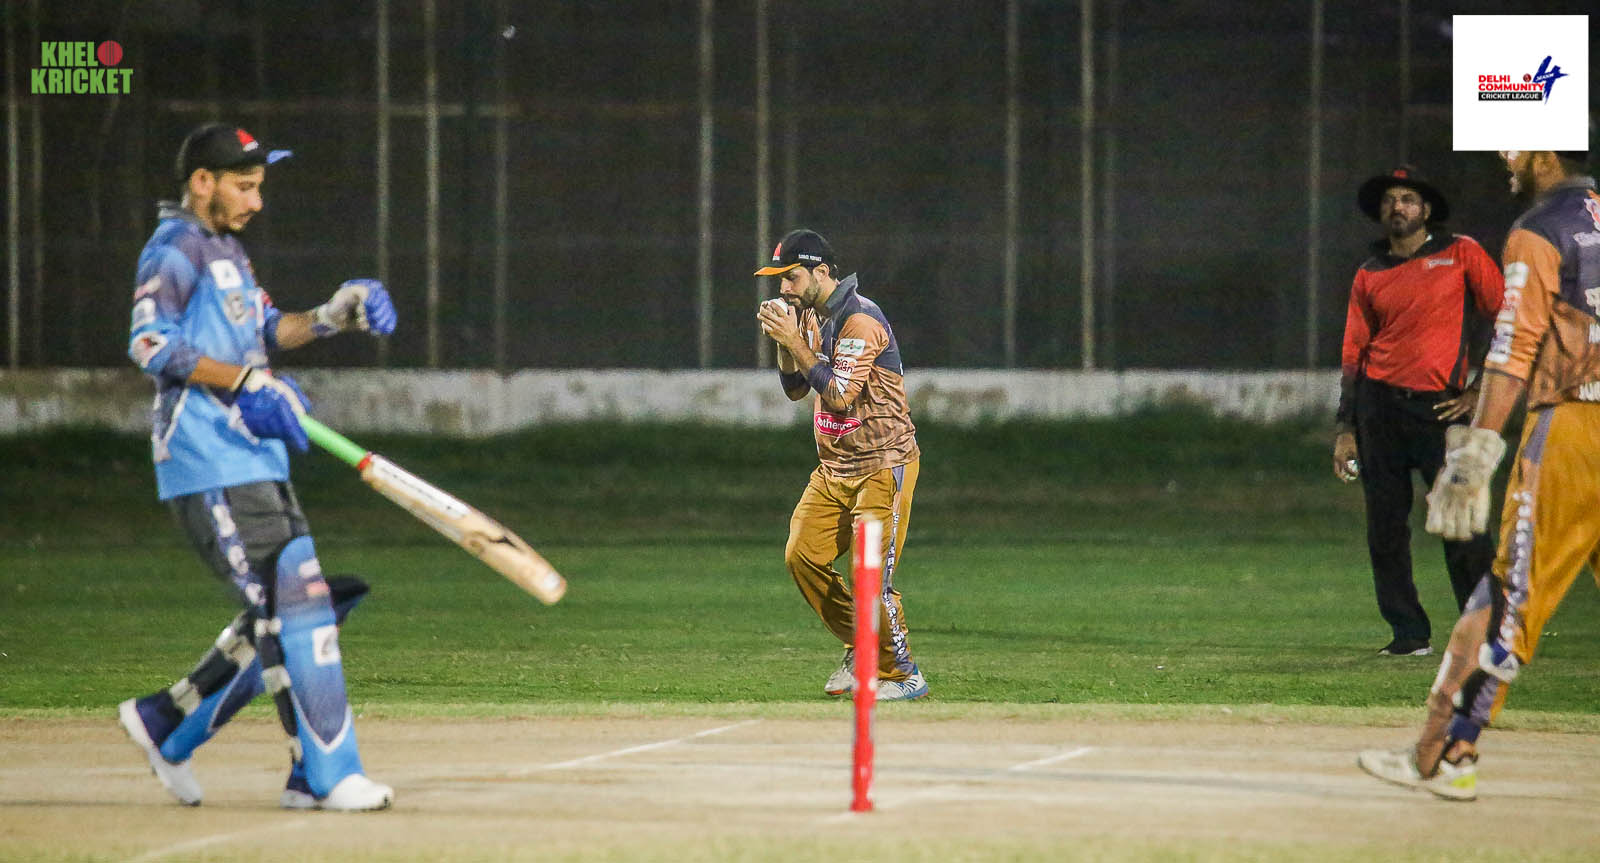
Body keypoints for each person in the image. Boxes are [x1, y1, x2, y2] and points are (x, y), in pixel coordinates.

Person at [117, 123, 399, 811]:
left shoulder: (228, 252)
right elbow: (150, 344)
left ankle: (166, 722)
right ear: (202, 182)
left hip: (256, 453)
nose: (256, 201)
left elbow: (269, 330)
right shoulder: (175, 247)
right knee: (295, 609)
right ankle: (328, 774)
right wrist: (244, 382)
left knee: (298, 605)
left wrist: (335, 314)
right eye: (244, 187)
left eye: (259, 186)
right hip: (207, 457)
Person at [1358, 147, 1597, 801]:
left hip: (1576, 428)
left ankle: (1441, 753)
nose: (1503, 158)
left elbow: (1514, 345)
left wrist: (1474, 452)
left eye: (1509, 143)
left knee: (1504, 596)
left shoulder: (1539, 228)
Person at [1333, 165, 1504, 657]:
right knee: (1385, 529)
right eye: (1390, 200)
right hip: (1379, 409)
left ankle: (1484, 632)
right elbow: (1354, 352)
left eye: (1408, 199)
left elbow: (1508, 317)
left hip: (1441, 410)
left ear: (1426, 210)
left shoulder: (1461, 252)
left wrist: (1480, 389)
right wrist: (1345, 427)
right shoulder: (1370, 272)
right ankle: (1408, 634)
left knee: (1462, 523)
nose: (1398, 207)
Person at [754, 228, 927, 701]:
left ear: (822, 273)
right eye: (779, 279)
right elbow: (795, 389)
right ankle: (862, 645)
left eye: (790, 277)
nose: (783, 288)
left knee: (870, 577)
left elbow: (838, 394)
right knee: (802, 556)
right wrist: (784, 341)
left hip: (881, 466)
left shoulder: (860, 319)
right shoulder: (810, 316)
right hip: (834, 470)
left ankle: (903, 675)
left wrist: (794, 339)